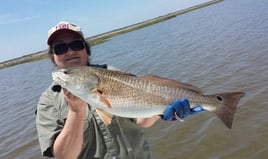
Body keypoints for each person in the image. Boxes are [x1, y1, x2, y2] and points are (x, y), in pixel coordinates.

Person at [35, 21, 203, 159]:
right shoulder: (48, 101)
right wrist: (76, 111)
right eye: (61, 48)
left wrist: (161, 112)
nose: (70, 52)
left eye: (76, 44)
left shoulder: (111, 73)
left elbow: (141, 120)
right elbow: (64, 156)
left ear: (86, 48)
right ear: (53, 55)